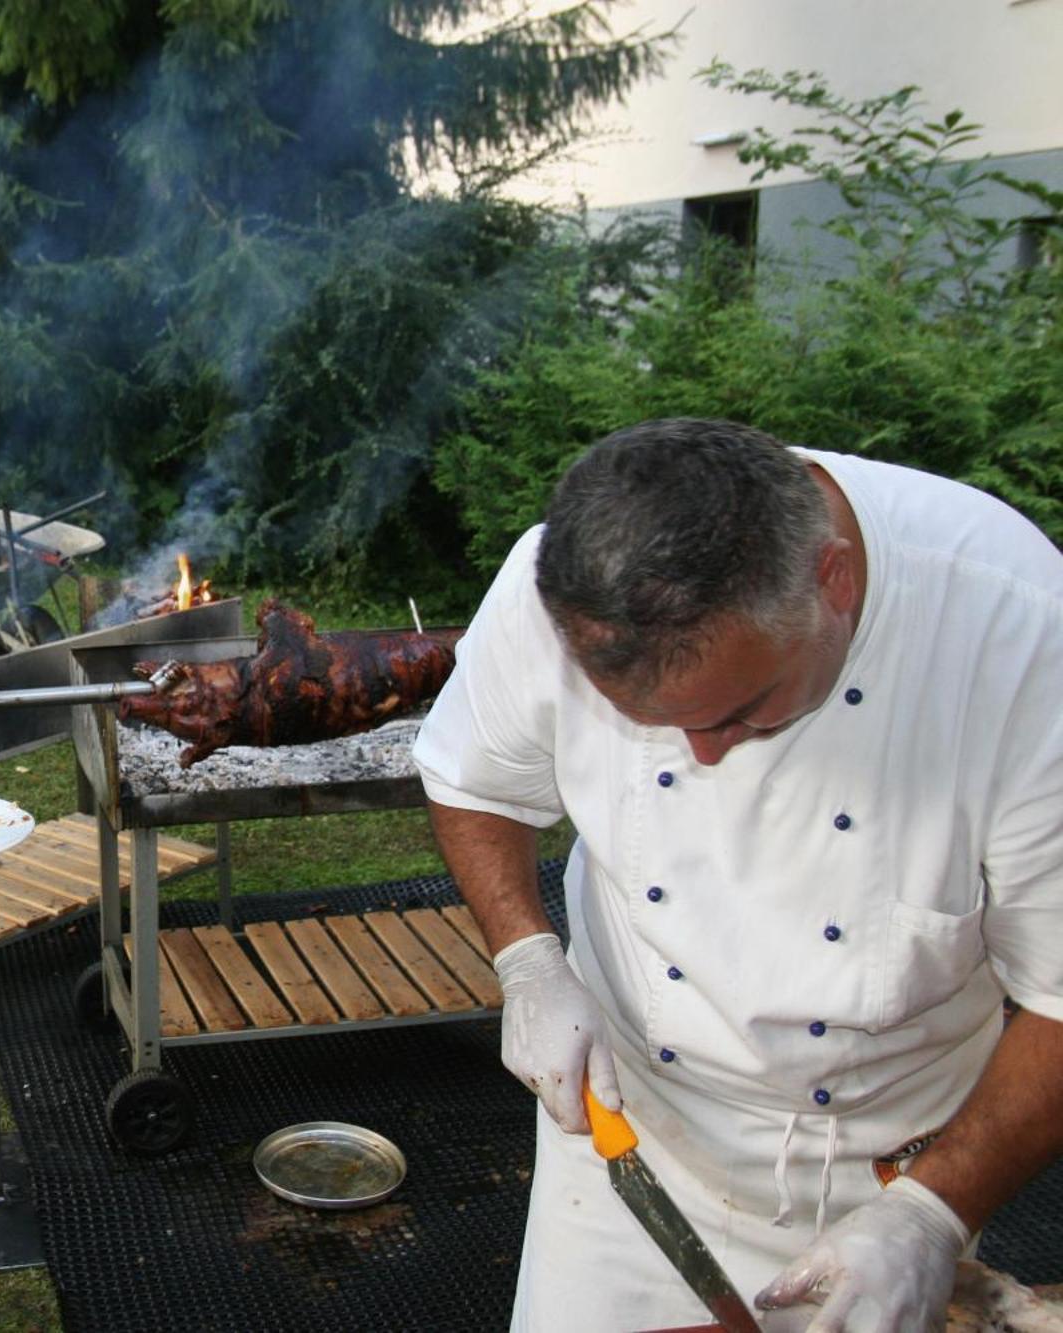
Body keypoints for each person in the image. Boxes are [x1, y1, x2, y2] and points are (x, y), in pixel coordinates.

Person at [413, 418, 1063, 1332]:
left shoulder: (1020, 633)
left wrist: (930, 1213)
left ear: (831, 582)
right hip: (631, 1135)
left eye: (741, 713)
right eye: (659, 725)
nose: (704, 756)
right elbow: (472, 776)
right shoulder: (557, 583)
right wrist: (527, 958)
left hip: (900, 1154)